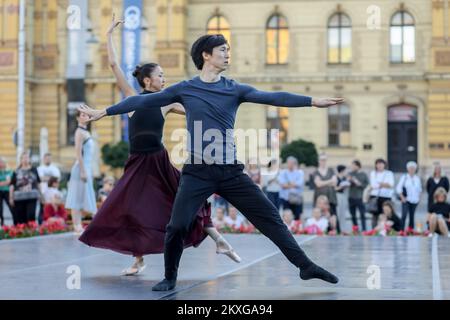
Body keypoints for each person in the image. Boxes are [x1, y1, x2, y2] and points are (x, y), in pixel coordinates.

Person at [79, 33, 342, 291]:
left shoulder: (234, 88)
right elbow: (141, 100)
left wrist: (311, 101)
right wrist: (104, 111)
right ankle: (169, 277)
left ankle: (305, 266)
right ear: (206, 55)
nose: (228, 54)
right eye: (222, 50)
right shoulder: (185, 89)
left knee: (270, 217)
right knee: (177, 225)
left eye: (228, 50)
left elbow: (273, 97)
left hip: (230, 172)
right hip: (197, 173)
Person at [79, 16, 240, 276]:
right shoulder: (132, 100)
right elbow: (113, 64)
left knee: (186, 199)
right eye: (160, 76)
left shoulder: (166, 103)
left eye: (164, 76)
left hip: (159, 161)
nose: (164, 79)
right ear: (146, 81)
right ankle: (138, 259)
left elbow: (195, 108)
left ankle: (218, 239)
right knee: (130, 208)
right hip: (137, 164)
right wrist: (108, 34)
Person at [64, 110, 97, 234]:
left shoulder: (86, 132)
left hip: (87, 167)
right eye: (82, 115)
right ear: (78, 118)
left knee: (86, 196)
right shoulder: (79, 132)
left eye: (86, 114)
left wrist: (89, 170)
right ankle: (76, 225)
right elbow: (78, 153)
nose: (85, 116)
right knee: (76, 197)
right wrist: (83, 171)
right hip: (80, 168)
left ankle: (81, 224)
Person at [9, 152, 42, 225]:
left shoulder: (34, 170)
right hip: (19, 197)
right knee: (21, 216)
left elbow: (38, 183)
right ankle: (23, 232)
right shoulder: (16, 171)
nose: (25, 159)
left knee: (31, 215)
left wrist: (41, 194)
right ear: (20, 160)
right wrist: (11, 197)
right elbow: (12, 185)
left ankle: (31, 231)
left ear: (29, 159)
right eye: (23, 158)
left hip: (32, 196)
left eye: (27, 157)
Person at [312, 153, 339, 231]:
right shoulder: (316, 172)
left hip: (331, 198)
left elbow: (335, 183)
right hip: (319, 199)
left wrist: (323, 182)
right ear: (318, 161)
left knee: (332, 217)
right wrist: (330, 181)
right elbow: (318, 184)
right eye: (321, 160)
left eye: (324, 160)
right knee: (319, 216)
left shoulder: (331, 170)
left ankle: (333, 232)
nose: (323, 161)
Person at [368, 158, 394, 229]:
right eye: (378, 164)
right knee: (375, 215)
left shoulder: (389, 173)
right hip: (374, 196)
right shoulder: (373, 173)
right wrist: (384, 184)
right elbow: (373, 185)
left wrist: (380, 184)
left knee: (386, 214)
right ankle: (374, 230)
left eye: (381, 164)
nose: (379, 165)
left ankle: (385, 229)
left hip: (386, 196)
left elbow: (391, 185)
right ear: (376, 165)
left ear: (384, 165)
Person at [396, 161, 422, 231]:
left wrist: (419, 198)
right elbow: (398, 188)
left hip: (414, 200)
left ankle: (411, 230)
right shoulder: (404, 177)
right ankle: (401, 230)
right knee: (404, 215)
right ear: (408, 169)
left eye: (413, 168)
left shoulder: (417, 178)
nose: (412, 170)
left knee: (412, 216)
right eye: (410, 168)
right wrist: (402, 197)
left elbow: (419, 189)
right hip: (406, 199)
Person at [37, 153, 61, 224]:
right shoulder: (39, 168)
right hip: (43, 192)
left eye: (49, 158)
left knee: (52, 209)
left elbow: (57, 179)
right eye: (46, 158)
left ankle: (52, 224)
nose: (48, 159)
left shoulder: (55, 168)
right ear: (43, 159)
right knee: (42, 209)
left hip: (53, 193)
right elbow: (39, 179)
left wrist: (45, 178)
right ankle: (40, 223)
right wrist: (51, 178)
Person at [347, 160, 369, 231]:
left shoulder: (363, 174)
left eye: (353, 165)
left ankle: (364, 230)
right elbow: (346, 183)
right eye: (351, 165)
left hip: (360, 197)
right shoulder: (350, 174)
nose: (352, 167)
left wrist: (358, 183)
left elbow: (367, 185)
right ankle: (355, 230)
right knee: (353, 215)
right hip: (351, 197)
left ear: (358, 166)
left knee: (362, 214)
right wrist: (349, 181)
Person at [335, 164, 350, 232]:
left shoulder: (345, 178)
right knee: (338, 212)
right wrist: (341, 187)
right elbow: (335, 188)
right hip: (338, 195)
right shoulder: (336, 177)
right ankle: (338, 229)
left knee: (343, 212)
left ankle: (343, 229)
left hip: (344, 195)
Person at [0, 157, 13, 226]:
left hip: (7, 191)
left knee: (11, 206)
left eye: (1, 162)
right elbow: (7, 181)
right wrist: (5, 182)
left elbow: (9, 182)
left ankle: (16, 222)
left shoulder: (8, 171)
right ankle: (2, 224)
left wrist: (2, 183)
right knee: (0, 209)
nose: (0, 163)